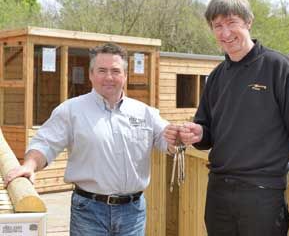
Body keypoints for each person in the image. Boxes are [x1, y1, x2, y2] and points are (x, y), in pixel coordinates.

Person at [164, 0, 289, 236]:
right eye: (218, 26)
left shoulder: (278, 67)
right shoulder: (216, 77)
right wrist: (198, 132)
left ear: (248, 22)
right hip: (218, 193)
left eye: (232, 23)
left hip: (262, 193)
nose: (225, 33)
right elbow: (207, 134)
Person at [5, 43, 174, 236]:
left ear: (125, 76)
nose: (109, 77)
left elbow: (167, 139)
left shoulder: (145, 112)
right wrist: (29, 165)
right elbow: (45, 143)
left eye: (115, 71)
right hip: (89, 211)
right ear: (91, 74)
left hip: (133, 214)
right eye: (102, 70)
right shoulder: (71, 110)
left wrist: (179, 138)